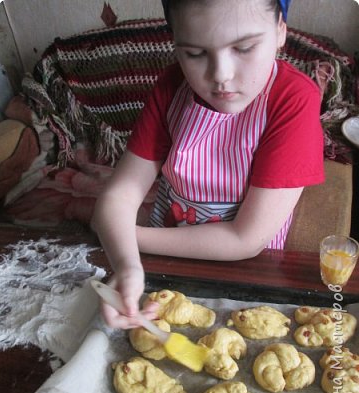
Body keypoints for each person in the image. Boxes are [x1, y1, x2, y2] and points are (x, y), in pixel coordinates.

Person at [91, 0, 324, 328]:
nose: (221, 76)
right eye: (195, 54)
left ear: (280, 32)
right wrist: (127, 265)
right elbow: (120, 195)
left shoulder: (293, 99)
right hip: (158, 265)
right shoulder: (172, 88)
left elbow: (246, 238)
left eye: (244, 48)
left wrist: (127, 235)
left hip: (245, 273)